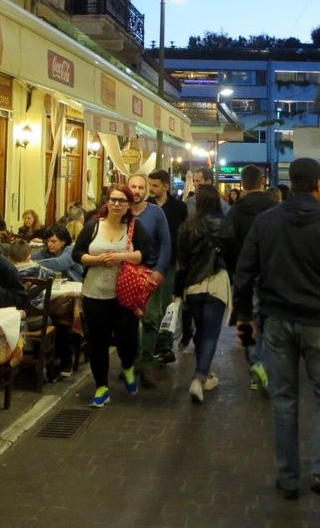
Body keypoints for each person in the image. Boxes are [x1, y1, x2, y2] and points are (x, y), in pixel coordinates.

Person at [234, 158, 320, 508]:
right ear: (319, 184)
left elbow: (245, 271)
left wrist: (244, 316)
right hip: (319, 322)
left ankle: (288, 478)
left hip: (277, 321)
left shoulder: (266, 221)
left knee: (284, 399)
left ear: (292, 183)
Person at [72, 184, 155, 408]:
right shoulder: (92, 226)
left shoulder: (134, 227)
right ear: (107, 201)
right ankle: (102, 387)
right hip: (94, 292)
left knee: (127, 340)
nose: (117, 204)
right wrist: (97, 260)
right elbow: (77, 254)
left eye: (122, 201)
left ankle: (128, 366)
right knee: (98, 342)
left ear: (129, 205)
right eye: (113, 200)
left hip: (124, 295)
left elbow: (146, 253)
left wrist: (120, 257)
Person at [175, 185, 238, 403]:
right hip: (217, 283)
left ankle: (206, 375)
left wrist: (178, 289)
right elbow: (233, 256)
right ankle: (199, 377)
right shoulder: (227, 224)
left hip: (192, 285)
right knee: (210, 334)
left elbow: (181, 260)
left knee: (201, 331)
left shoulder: (187, 225)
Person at [227, 164, 278, 391]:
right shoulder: (274, 207)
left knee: (246, 317)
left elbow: (228, 242)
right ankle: (262, 362)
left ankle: (254, 363)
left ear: (242, 184)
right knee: (267, 318)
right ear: (262, 182)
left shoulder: (235, 211)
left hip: (242, 270)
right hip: (270, 270)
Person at [126, 173, 170, 386]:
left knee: (151, 319)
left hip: (150, 273)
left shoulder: (156, 213)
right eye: (133, 186)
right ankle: (131, 362)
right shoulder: (120, 212)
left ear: (146, 190)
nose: (137, 191)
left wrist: (160, 270)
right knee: (128, 322)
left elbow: (166, 244)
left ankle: (146, 365)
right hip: (125, 276)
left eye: (141, 187)